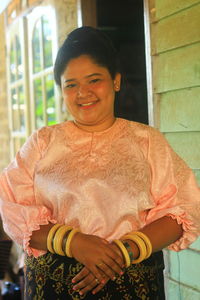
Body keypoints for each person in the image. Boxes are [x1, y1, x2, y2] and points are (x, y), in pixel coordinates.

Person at [0, 26, 200, 300]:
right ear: (61, 90)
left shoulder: (147, 142)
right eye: (71, 84)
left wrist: (120, 253)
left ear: (116, 81)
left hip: (132, 286)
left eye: (94, 80)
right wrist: (75, 243)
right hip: (53, 288)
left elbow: (182, 210)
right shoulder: (42, 143)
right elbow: (12, 205)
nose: (83, 93)